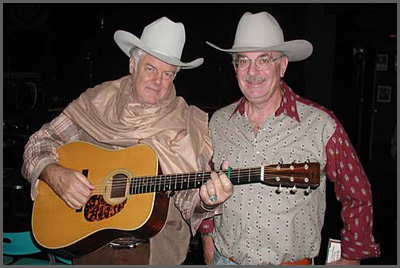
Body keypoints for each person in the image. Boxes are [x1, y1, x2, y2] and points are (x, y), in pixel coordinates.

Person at [22, 16, 232, 265]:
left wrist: (207, 202)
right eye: (151, 69)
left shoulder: (186, 124)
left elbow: (188, 199)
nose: (158, 82)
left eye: (168, 74)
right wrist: (53, 173)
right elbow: (39, 142)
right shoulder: (96, 102)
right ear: (133, 64)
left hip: (152, 254)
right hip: (89, 247)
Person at [201, 11, 381, 265]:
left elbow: (357, 192)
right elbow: (204, 184)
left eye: (264, 59)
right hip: (224, 260)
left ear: (282, 65)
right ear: (235, 67)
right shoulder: (218, 123)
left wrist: (352, 256)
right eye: (243, 61)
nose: (252, 72)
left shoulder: (321, 124)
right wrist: (207, 236)